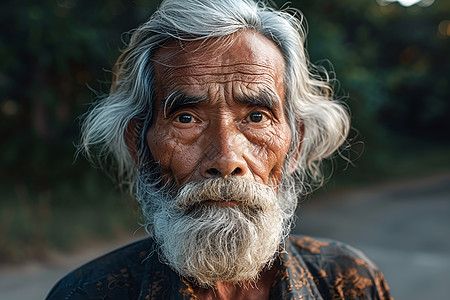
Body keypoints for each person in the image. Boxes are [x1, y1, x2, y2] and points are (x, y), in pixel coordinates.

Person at [47, 0, 393, 299]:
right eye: (186, 118)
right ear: (137, 144)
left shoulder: (349, 284)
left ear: (297, 144)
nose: (226, 160)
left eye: (256, 117)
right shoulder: (88, 293)